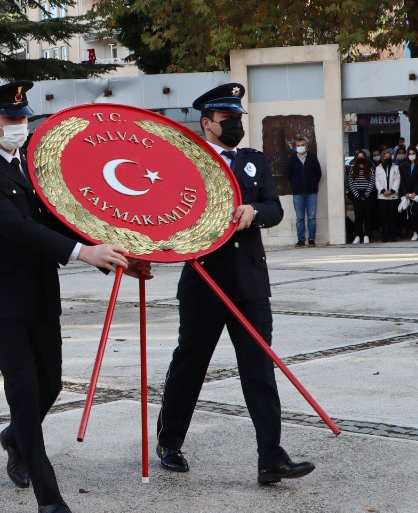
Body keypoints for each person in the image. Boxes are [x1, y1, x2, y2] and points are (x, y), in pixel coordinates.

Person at [0, 80, 132, 513]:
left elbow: (57, 216)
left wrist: (107, 253)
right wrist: (80, 253)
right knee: (25, 390)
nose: (18, 126)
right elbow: (14, 227)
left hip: (39, 291)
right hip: (0, 297)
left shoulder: (32, 167)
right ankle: (48, 494)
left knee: (49, 383)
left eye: (22, 119)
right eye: (9, 119)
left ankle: (15, 437)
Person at [155, 83, 314, 489]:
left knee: (259, 368)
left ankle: (271, 457)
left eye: (239, 119)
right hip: (204, 280)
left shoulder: (252, 161)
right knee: (191, 365)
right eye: (228, 121)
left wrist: (253, 211)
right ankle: (169, 442)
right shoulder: (185, 163)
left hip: (249, 282)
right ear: (207, 123)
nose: (235, 126)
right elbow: (168, 216)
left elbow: (275, 209)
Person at [286, 137, 321, 247]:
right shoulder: (292, 160)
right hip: (298, 193)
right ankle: (301, 240)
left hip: (311, 192)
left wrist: (313, 183)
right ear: (296, 147)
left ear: (306, 146)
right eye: (298, 145)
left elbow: (318, 173)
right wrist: (295, 184)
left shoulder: (312, 158)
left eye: (302, 145)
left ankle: (311, 240)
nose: (300, 147)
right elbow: (289, 175)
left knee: (311, 217)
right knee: (300, 218)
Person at [346, 150, 374, 244]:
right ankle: (358, 235)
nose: (361, 158)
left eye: (362, 156)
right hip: (356, 196)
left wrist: (366, 194)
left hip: (367, 195)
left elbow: (372, 182)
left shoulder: (370, 168)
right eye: (359, 156)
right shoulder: (353, 169)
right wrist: (357, 195)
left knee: (367, 216)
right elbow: (350, 182)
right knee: (358, 216)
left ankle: (367, 235)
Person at [374, 151, 401, 242]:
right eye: (385, 157)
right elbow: (377, 181)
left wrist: (392, 191)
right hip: (382, 197)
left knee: (393, 217)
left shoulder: (396, 167)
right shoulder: (378, 168)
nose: (387, 158)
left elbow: (398, 180)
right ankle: (384, 236)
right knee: (383, 217)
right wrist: (383, 191)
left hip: (393, 196)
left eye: (389, 157)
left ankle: (393, 236)